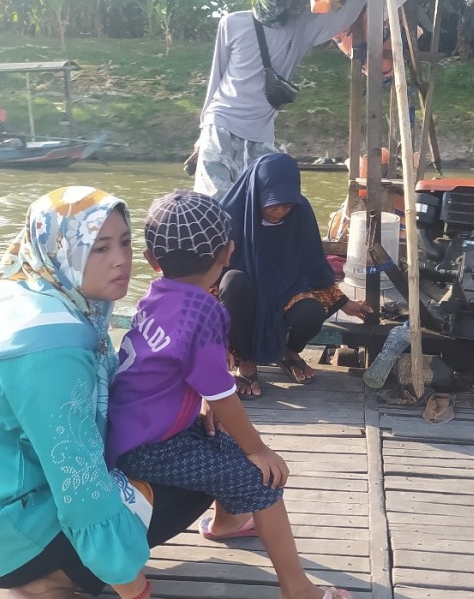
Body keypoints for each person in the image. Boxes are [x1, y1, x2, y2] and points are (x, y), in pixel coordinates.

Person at [0, 186, 213, 599]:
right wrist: (132, 585)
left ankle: (70, 565)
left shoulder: (33, 299)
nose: (121, 259)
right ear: (61, 251)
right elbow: (78, 480)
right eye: (98, 248)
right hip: (3, 538)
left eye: (124, 242)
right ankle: (54, 578)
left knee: (190, 447)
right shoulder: (49, 347)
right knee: (198, 477)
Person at [106, 189, 350, 599]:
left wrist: (207, 408)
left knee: (219, 436)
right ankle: (298, 589)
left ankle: (227, 524)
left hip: (132, 430)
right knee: (262, 480)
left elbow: (180, 370)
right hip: (150, 446)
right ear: (228, 252)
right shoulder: (205, 311)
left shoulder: (155, 295)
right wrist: (260, 450)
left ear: (152, 260)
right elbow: (222, 394)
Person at [192, 0, 367, 200]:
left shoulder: (300, 28)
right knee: (212, 203)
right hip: (221, 123)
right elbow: (217, 77)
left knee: (258, 204)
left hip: (261, 132)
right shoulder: (232, 23)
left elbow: (345, 15)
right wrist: (203, 134)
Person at [219, 153, 374, 398]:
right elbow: (210, 271)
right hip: (242, 298)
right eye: (273, 204)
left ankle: (289, 351)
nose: (281, 211)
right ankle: (246, 360)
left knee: (311, 310)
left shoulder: (300, 214)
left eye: (287, 204)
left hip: (285, 293)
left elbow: (314, 266)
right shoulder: (228, 215)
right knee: (233, 282)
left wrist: (345, 304)